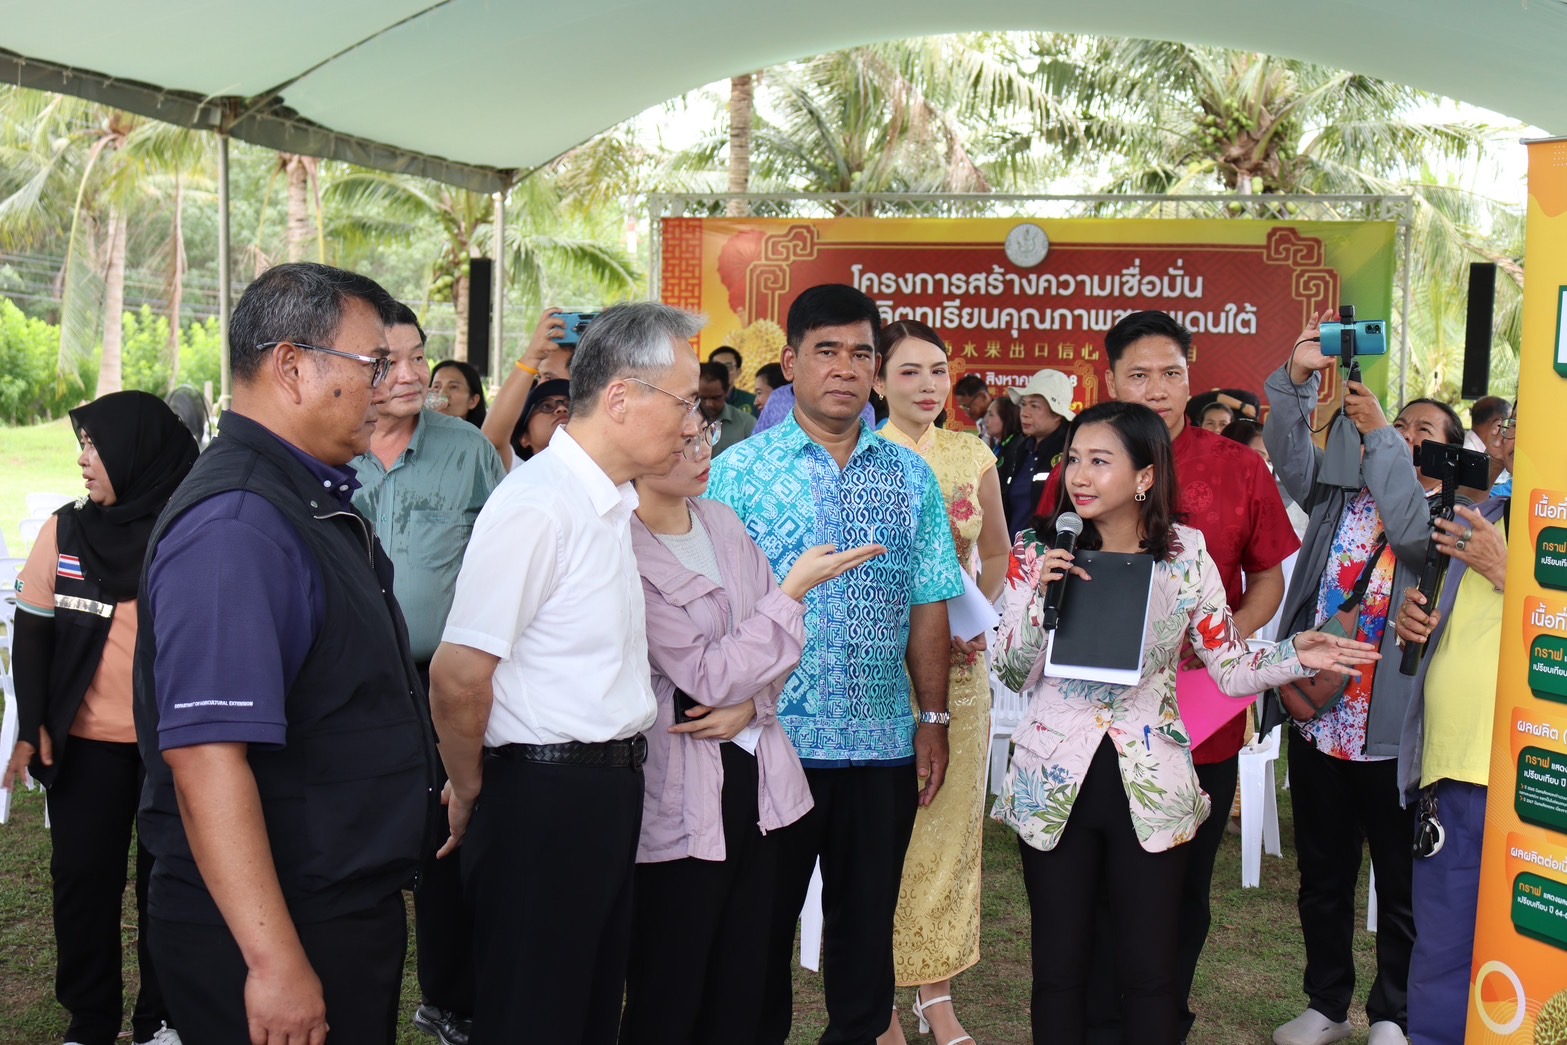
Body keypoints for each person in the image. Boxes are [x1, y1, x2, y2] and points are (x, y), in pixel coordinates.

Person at [992, 401, 1378, 1045]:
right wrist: (1038, 603)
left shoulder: (1184, 554)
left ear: (1145, 476)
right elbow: (1012, 673)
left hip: (1151, 783)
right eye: (1074, 461)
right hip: (1052, 780)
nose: (1079, 476)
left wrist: (1291, 654)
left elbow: (1226, 665)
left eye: (1100, 461)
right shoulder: (1036, 553)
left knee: (1150, 970)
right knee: (1058, 968)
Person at [135, 262, 438, 1044]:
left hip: (326, 899)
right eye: (372, 363)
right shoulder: (239, 524)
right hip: (279, 920)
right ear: (293, 366)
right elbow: (207, 759)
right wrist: (273, 962)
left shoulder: (300, 496)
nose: (390, 384)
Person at [429, 302, 705, 1043]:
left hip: (601, 791)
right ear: (620, 396)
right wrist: (471, 783)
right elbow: (458, 675)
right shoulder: (539, 505)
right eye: (682, 401)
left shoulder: (606, 504)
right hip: (540, 796)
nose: (690, 424)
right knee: (535, 1012)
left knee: (584, 1011)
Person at [706, 284, 965, 1045]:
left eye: (861, 354)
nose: (845, 369)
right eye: (826, 351)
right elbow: (712, 606)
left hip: (882, 743)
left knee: (863, 938)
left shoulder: (908, 474)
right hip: (769, 739)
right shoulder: (734, 474)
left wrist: (933, 718)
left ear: (877, 369)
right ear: (790, 363)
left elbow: (929, 602)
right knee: (754, 932)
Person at [1033, 310, 1299, 1045]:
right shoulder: (1077, 487)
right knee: (1074, 923)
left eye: (1172, 372)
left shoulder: (1235, 471)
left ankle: (1158, 1020)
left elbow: (1266, 580)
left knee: (1170, 904)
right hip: (1081, 736)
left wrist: (1218, 643)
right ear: (1110, 380)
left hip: (1195, 715)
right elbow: (1033, 629)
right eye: (1138, 374)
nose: (1157, 388)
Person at [620, 416, 883, 1045]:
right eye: (681, 441)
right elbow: (707, 673)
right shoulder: (622, 545)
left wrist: (754, 709)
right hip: (679, 777)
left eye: (703, 436)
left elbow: (782, 649)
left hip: (757, 770)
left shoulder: (721, 522)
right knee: (672, 975)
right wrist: (793, 592)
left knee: (746, 968)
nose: (701, 452)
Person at [1263, 309, 1461, 1045]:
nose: (1407, 438)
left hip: (1393, 736)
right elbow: (1288, 455)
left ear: (1449, 454)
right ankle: (1325, 1003)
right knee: (1322, 876)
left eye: (1423, 434)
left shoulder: (1448, 523)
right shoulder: (1339, 496)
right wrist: (1293, 381)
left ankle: (1392, 1012)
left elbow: (1409, 534)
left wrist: (1381, 435)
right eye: (1399, 425)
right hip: (1321, 721)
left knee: (1400, 887)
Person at [2, 391, 195, 1045]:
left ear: (137, 453)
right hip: (87, 745)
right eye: (82, 446)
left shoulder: (190, 534)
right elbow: (33, 630)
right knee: (82, 881)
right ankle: (90, 1018)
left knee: (166, 882)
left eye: (96, 445)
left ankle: (161, 1017)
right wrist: (32, 724)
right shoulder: (65, 530)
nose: (85, 459)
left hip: (174, 748)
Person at [349, 303, 505, 1045]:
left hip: (443, 680)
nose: (414, 376)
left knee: (452, 834)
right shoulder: (322, 452)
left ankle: (451, 999)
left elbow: (501, 565)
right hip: (346, 687)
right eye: (390, 361)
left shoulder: (468, 450)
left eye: (420, 357)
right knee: (359, 839)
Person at [872, 321, 1009, 1045]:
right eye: (908, 372)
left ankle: (936, 995)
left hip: (961, 671)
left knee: (950, 831)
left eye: (937, 371)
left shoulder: (971, 451)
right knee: (881, 832)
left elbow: (995, 551)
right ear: (877, 381)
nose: (927, 386)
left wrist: (974, 615)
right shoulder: (862, 457)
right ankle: (878, 1005)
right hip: (879, 670)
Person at [1393, 400, 1512, 1045]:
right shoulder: (1481, 514)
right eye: (1512, 423)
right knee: (1440, 950)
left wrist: (1511, 573)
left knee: (1529, 954)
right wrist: (1417, 621)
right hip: (1450, 769)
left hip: (1535, 782)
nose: (1513, 434)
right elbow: (1440, 614)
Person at [483, 307, 573, 468]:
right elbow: (491, 442)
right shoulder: (519, 471)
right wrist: (532, 356)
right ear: (524, 437)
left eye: (568, 404)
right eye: (546, 406)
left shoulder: (612, 467)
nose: (560, 409)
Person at [1000, 369, 1074, 539]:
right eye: (1023, 404)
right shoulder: (1019, 449)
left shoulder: (1070, 453)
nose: (1024, 413)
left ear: (1057, 414)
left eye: (1034, 406)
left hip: (1047, 554)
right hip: (1012, 554)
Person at [507, 378, 571, 469]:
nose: (562, 408)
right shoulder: (518, 469)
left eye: (570, 405)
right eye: (546, 406)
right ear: (524, 438)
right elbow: (494, 439)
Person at [697, 360, 757, 456]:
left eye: (716, 398)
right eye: (703, 398)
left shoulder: (746, 424)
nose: (709, 404)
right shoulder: (684, 422)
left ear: (726, 391)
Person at [430, 358, 489, 427]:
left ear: (473, 401)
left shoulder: (482, 436)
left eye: (453, 387)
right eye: (436, 387)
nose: (442, 393)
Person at [708, 345, 757, 416]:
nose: (723, 371)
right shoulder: (700, 402)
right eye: (717, 366)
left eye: (729, 366)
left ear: (738, 372)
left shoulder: (752, 401)